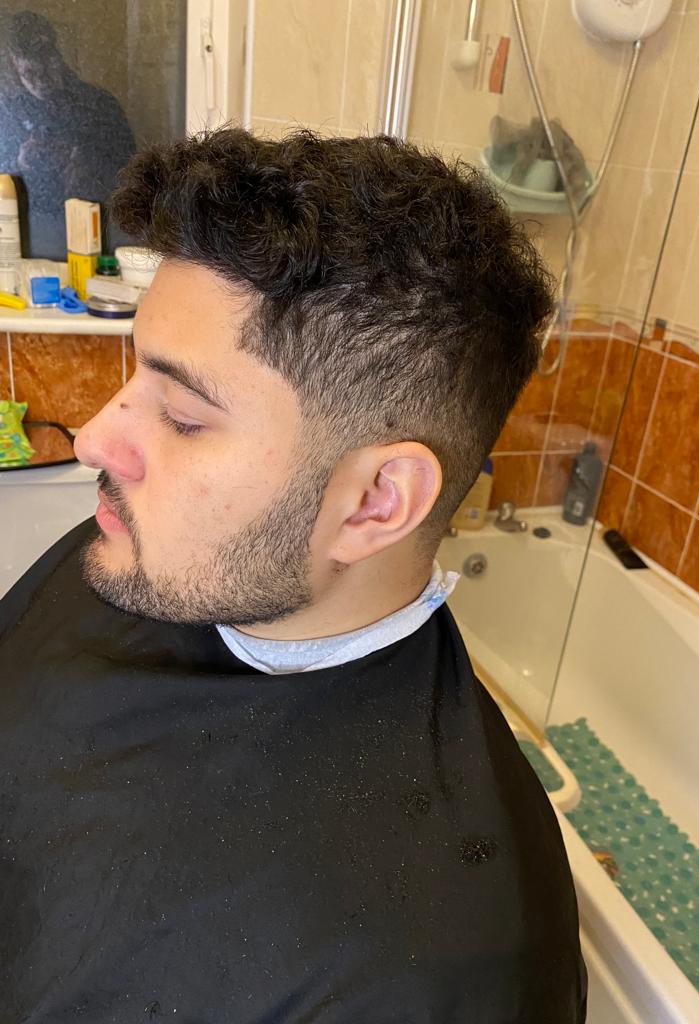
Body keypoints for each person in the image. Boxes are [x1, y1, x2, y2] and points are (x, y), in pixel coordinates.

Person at [0, 126, 588, 1022]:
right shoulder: (131, 558)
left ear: (376, 502)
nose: (96, 440)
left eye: (185, 417)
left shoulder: (446, 965)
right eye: (134, 379)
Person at [0, 10, 135, 257]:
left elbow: (132, 173)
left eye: (46, 69)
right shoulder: (8, 113)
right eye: (29, 74)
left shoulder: (99, 105)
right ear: (15, 67)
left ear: (57, 58)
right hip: (29, 233)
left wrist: (87, 164)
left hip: (99, 227)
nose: (39, 81)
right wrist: (20, 162)